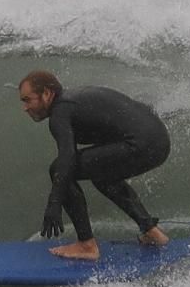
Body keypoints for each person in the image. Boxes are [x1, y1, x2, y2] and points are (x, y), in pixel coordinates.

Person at [18, 70, 170, 260]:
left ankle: (86, 245)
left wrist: (54, 203)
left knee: (58, 169)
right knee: (101, 173)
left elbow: (67, 159)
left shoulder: (60, 112)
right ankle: (152, 232)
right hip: (158, 142)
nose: (25, 107)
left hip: (140, 143)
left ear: (47, 94)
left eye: (27, 99)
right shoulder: (72, 101)